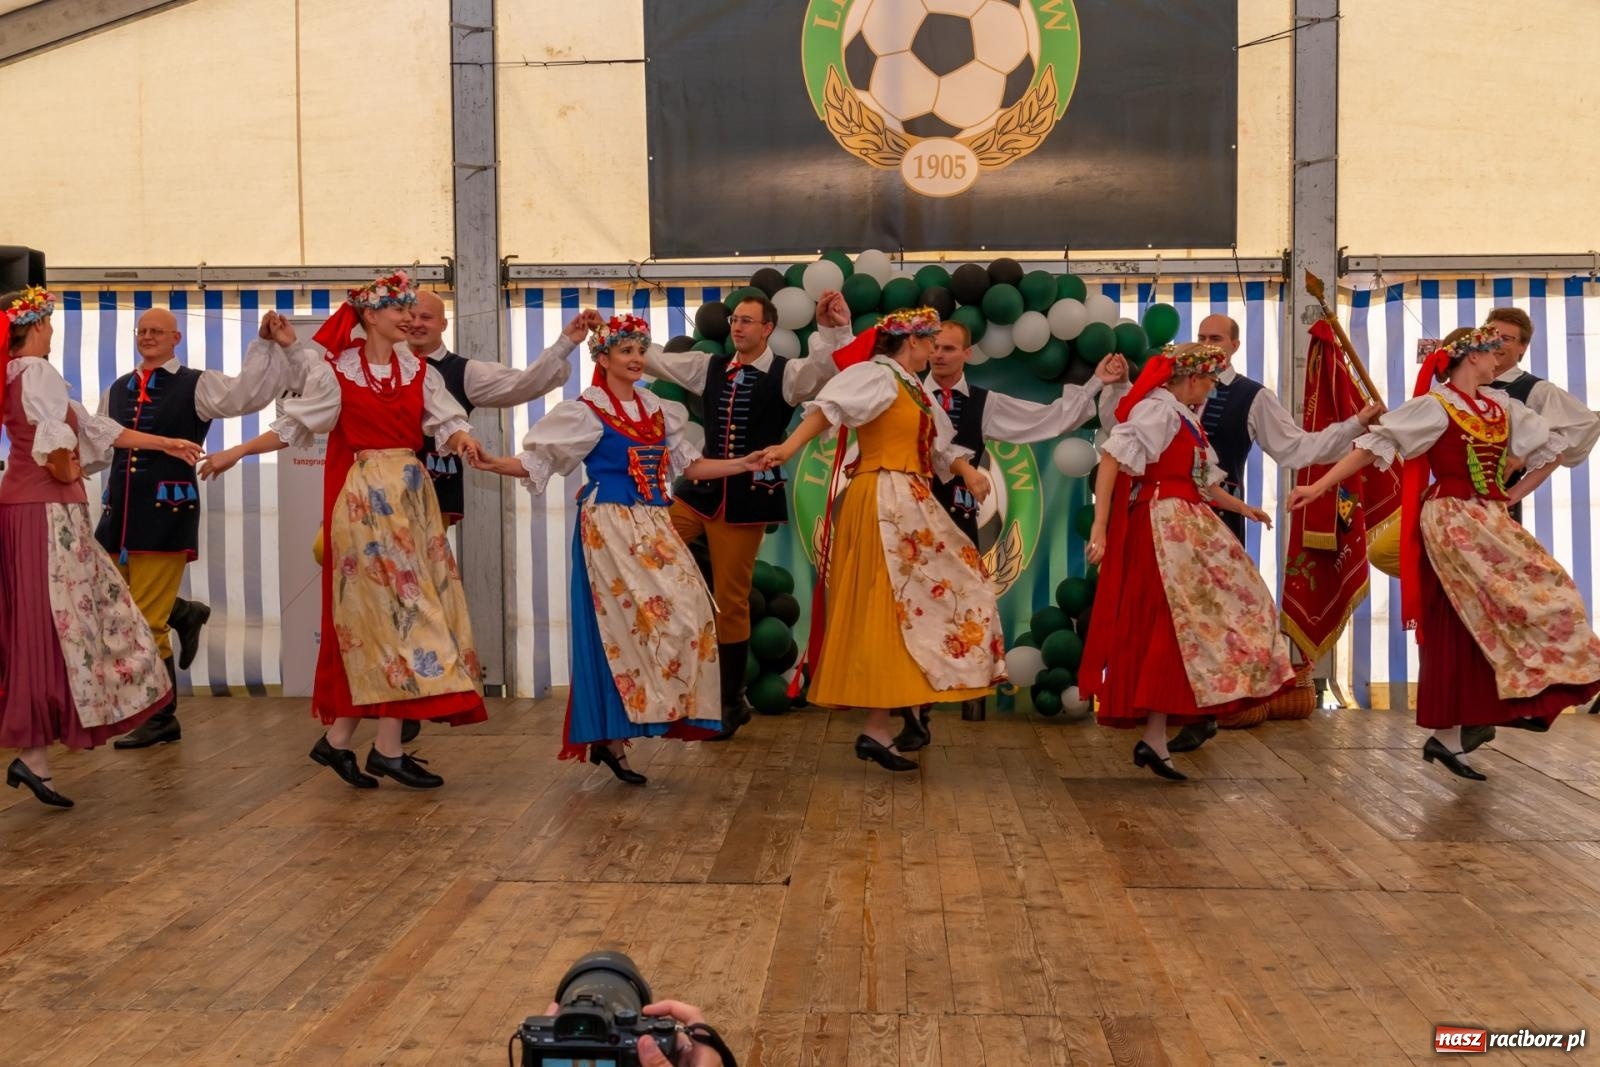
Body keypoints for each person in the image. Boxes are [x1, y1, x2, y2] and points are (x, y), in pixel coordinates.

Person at [199, 271, 488, 790]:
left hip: (411, 498)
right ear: (370, 316)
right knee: (401, 616)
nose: (408, 318)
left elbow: (446, 421)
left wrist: (464, 439)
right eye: (398, 310)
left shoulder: (421, 371)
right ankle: (386, 748)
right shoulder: (337, 372)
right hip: (363, 503)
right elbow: (294, 426)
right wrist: (235, 451)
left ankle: (343, 742)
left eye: (411, 311)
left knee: (393, 619)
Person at [1289, 327, 1600, 780]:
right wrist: (1317, 485)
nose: (1497, 358)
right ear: (1470, 358)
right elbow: (1374, 445)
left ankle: (1529, 690)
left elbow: (1556, 447)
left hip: (1489, 515)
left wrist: (1512, 495)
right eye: (1491, 352)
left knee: (1547, 589)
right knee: (1463, 617)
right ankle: (1486, 716)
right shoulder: (1436, 406)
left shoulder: (1503, 406)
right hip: (1451, 516)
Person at [472, 313, 765, 784]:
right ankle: (610, 737)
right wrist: (492, 464)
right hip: (608, 525)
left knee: (689, 610)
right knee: (617, 627)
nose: (635, 359)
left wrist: (741, 464)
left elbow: (690, 467)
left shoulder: (656, 408)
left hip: (653, 523)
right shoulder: (585, 411)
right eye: (625, 351)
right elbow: (539, 461)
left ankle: (664, 707)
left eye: (639, 351)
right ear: (603, 358)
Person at [756, 307, 1006, 772]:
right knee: (887, 608)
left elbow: (938, 447)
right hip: (883, 497)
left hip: (909, 496)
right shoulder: (876, 375)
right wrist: (787, 449)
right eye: (930, 341)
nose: (935, 350)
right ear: (910, 343)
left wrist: (968, 470)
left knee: (935, 597)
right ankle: (881, 724)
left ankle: (888, 721)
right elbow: (829, 409)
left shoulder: (913, 389)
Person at [1, 287, 202, 808]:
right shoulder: (37, 371)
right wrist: (65, 477)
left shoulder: (16, 374)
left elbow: (99, 429)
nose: (52, 330)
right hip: (46, 511)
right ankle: (36, 751)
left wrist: (166, 443)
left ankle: (35, 755)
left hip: (32, 509)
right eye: (48, 322)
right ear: (38, 326)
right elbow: (59, 445)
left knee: (47, 629)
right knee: (72, 621)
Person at [1163, 314, 1385, 754]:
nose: (1208, 345)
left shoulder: (1252, 396)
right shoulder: (1167, 391)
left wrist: (1355, 424)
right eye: (1202, 337)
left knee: (1221, 613)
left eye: (1217, 338)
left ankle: (1215, 703)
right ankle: (1167, 703)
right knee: (1167, 610)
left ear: (1235, 345)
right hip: (1163, 517)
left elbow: (1297, 448)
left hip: (1220, 519)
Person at [899, 319, 1128, 741]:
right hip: (909, 519)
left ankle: (967, 698)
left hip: (960, 519)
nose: (940, 355)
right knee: (909, 614)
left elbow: (1048, 420)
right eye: (935, 347)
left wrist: (1097, 381)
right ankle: (913, 713)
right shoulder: (906, 393)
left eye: (950, 348)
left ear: (967, 354)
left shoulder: (982, 403)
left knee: (965, 610)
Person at [1080, 343, 1296, 781]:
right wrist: (1100, 526)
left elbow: (1200, 483)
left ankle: (1155, 739)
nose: (1214, 390)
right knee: (1169, 626)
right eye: (1211, 381)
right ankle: (1156, 737)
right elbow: (1112, 458)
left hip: (1185, 524)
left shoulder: (1184, 418)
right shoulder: (1157, 411)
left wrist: (1242, 507)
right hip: (1161, 528)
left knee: (1182, 629)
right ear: (1192, 379)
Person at [644, 291, 853, 740]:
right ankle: (683, 669)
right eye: (735, 320)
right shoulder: (709, 366)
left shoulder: (786, 374)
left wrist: (832, 326)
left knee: (733, 599)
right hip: (700, 489)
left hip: (747, 499)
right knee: (656, 551)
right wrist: (620, 341)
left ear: (767, 329)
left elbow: (827, 367)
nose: (737, 327)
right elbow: (659, 362)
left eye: (747, 321)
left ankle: (731, 699)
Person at [396, 290, 591, 745]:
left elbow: (521, 385)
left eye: (427, 316)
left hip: (430, 493)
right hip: (378, 490)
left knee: (415, 590)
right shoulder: (387, 364)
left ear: (443, 324)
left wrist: (564, 342)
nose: (418, 323)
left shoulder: (462, 371)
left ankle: (409, 697)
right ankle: (399, 691)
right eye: (411, 316)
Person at [99, 306, 294, 749]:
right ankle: (183, 612)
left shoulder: (197, 383)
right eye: (142, 330)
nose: (147, 337)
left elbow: (248, 395)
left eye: (157, 331)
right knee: (108, 604)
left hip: (166, 510)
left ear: (176, 338)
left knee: (145, 621)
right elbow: (98, 441)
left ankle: (161, 716)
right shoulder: (116, 388)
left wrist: (263, 346)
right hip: (118, 512)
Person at [1483, 306, 1600, 524]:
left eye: (1506, 338)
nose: (1496, 343)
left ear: (1522, 347)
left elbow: (1585, 425)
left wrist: (1525, 451)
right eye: (1491, 335)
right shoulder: (1467, 383)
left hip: (1501, 503)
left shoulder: (1536, 390)